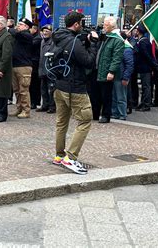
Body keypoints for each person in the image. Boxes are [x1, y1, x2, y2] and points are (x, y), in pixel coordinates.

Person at [52, 12, 98, 175]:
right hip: (75, 87)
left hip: (59, 85)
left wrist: (84, 40)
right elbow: (88, 62)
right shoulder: (74, 41)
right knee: (85, 120)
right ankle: (70, 158)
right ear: (77, 24)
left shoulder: (58, 36)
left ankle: (59, 155)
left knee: (61, 121)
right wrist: (93, 43)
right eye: (82, 24)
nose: (83, 27)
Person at [95, 16, 125, 123]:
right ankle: (96, 113)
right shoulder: (106, 36)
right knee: (97, 94)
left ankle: (106, 115)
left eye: (106, 25)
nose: (104, 26)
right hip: (99, 69)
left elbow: (116, 58)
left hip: (107, 71)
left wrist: (111, 71)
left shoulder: (117, 39)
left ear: (112, 26)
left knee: (106, 95)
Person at [9, 17, 34, 119]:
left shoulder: (27, 35)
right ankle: (19, 108)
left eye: (20, 24)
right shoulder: (19, 36)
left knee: (23, 89)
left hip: (24, 66)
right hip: (15, 65)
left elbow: (13, 32)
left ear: (26, 27)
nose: (18, 26)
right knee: (16, 90)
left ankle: (26, 110)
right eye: (18, 24)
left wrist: (11, 28)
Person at [135, 24, 158, 111]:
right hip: (143, 67)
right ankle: (143, 103)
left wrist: (153, 65)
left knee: (146, 86)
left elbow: (147, 55)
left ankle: (146, 104)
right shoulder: (143, 41)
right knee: (145, 86)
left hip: (145, 67)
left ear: (138, 31)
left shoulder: (143, 42)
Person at [112, 32, 134, 120]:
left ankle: (122, 114)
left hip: (121, 76)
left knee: (121, 97)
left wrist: (125, 77)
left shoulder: (127, 49)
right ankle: (115, 113)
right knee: (114, 96)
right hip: (115, 75)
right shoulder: (120, 48)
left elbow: (129, 65)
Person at [37, 24, 56, 113]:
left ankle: (52, 106)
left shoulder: (54, 42)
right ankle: (45, 105)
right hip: (42, 68)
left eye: (47, 31)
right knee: (43, 89)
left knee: (51, 89)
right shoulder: (42, 41)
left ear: (51, 32)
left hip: (50, 69)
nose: (45, 33)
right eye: (44, 31)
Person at [30, 24, 42, 109]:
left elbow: (31, 45)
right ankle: (33, 101)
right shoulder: (32, 37)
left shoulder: (37, 38)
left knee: (35, 84)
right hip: (32, 62)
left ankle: (35, 102)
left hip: (35, 63)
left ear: (34, 29)